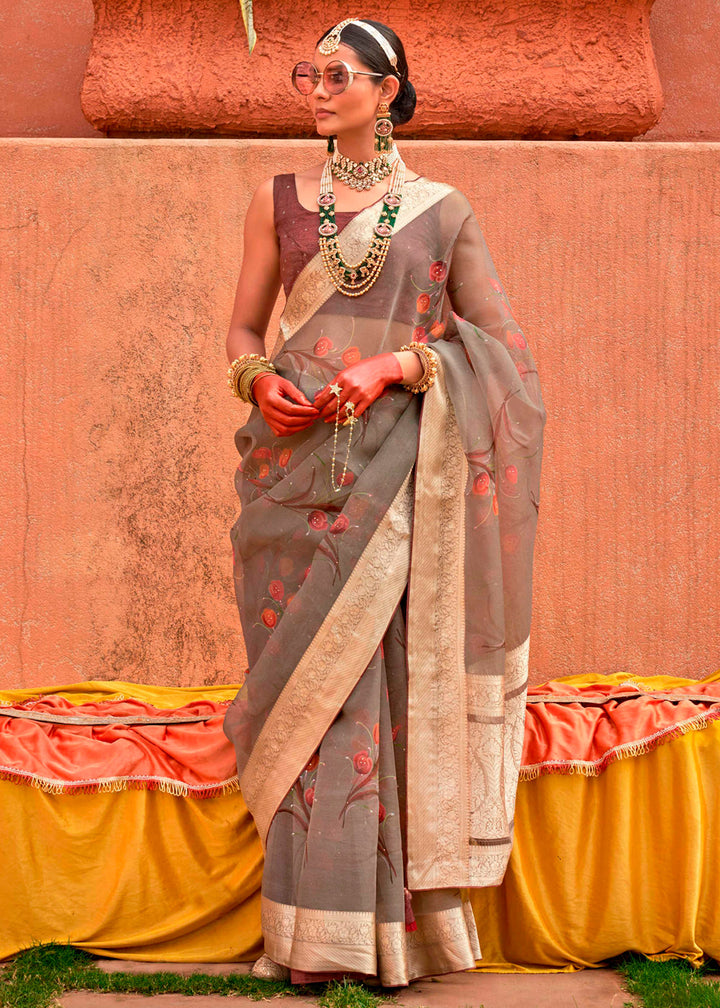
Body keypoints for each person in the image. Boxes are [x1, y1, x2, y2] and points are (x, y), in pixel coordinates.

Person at [222, 17, 547, 988]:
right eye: (308, 75)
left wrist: (399, 365)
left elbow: (506, 357)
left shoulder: (442, 212)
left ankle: (384, 936)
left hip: (395, 480)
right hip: (289, 476)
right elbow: (245, 323)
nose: (317, 89)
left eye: (337, 74)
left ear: (388, 87)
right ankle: (305, 935)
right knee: (304, 691)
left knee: (375, 684)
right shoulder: (279, 199)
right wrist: (251, 380)